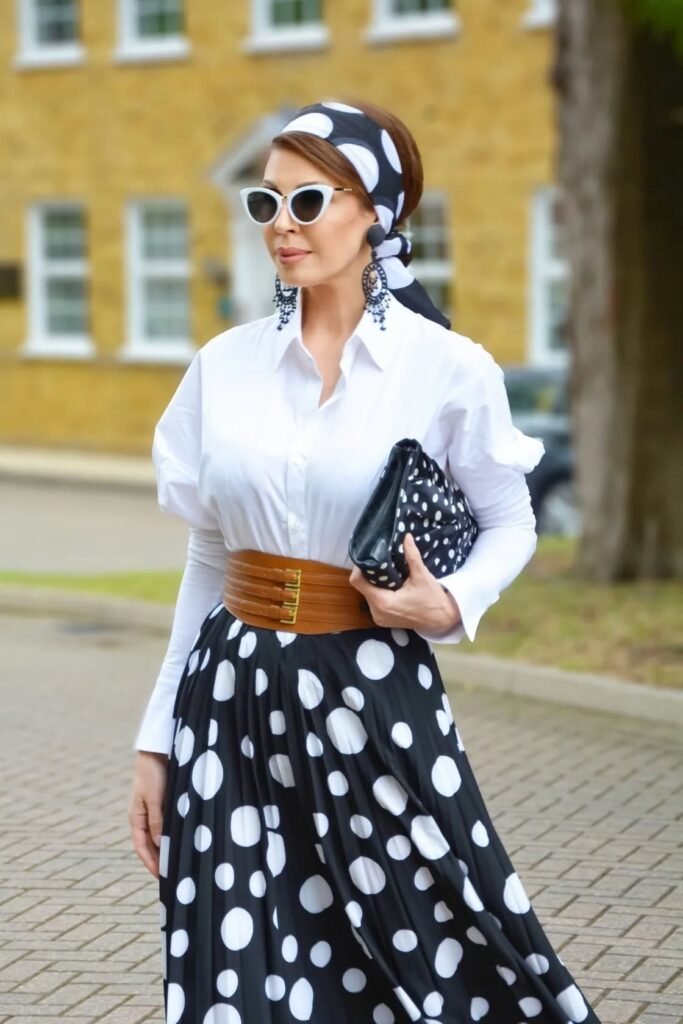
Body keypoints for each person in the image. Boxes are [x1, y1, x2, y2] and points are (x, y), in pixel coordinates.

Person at [128, 99, 601, 1024]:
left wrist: (451, 603)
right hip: (228, 702)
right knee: (243, 959)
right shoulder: (220, 369)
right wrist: (156, 739)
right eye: (265, 205)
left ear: (374, 211)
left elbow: (511, 520)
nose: (283, 226)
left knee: (431, 934)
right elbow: (210, 554)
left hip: (371, 694)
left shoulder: (448, 367)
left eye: (308, 199)